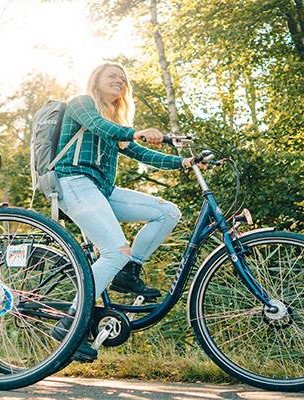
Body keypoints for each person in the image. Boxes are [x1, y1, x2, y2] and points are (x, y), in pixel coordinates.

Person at [51, 62, 201, 360]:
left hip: (101, 190)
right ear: (96, 79)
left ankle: (129, 271)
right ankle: (71, 321)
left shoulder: (114, 120)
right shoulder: (82, 104)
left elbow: (139, 152)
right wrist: (136, 131)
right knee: (114, 251)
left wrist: (183, 163)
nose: (119, 81)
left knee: (167, 212)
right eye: (112, 76)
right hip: (74, 181)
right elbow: (98, 126)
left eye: (123, 78)